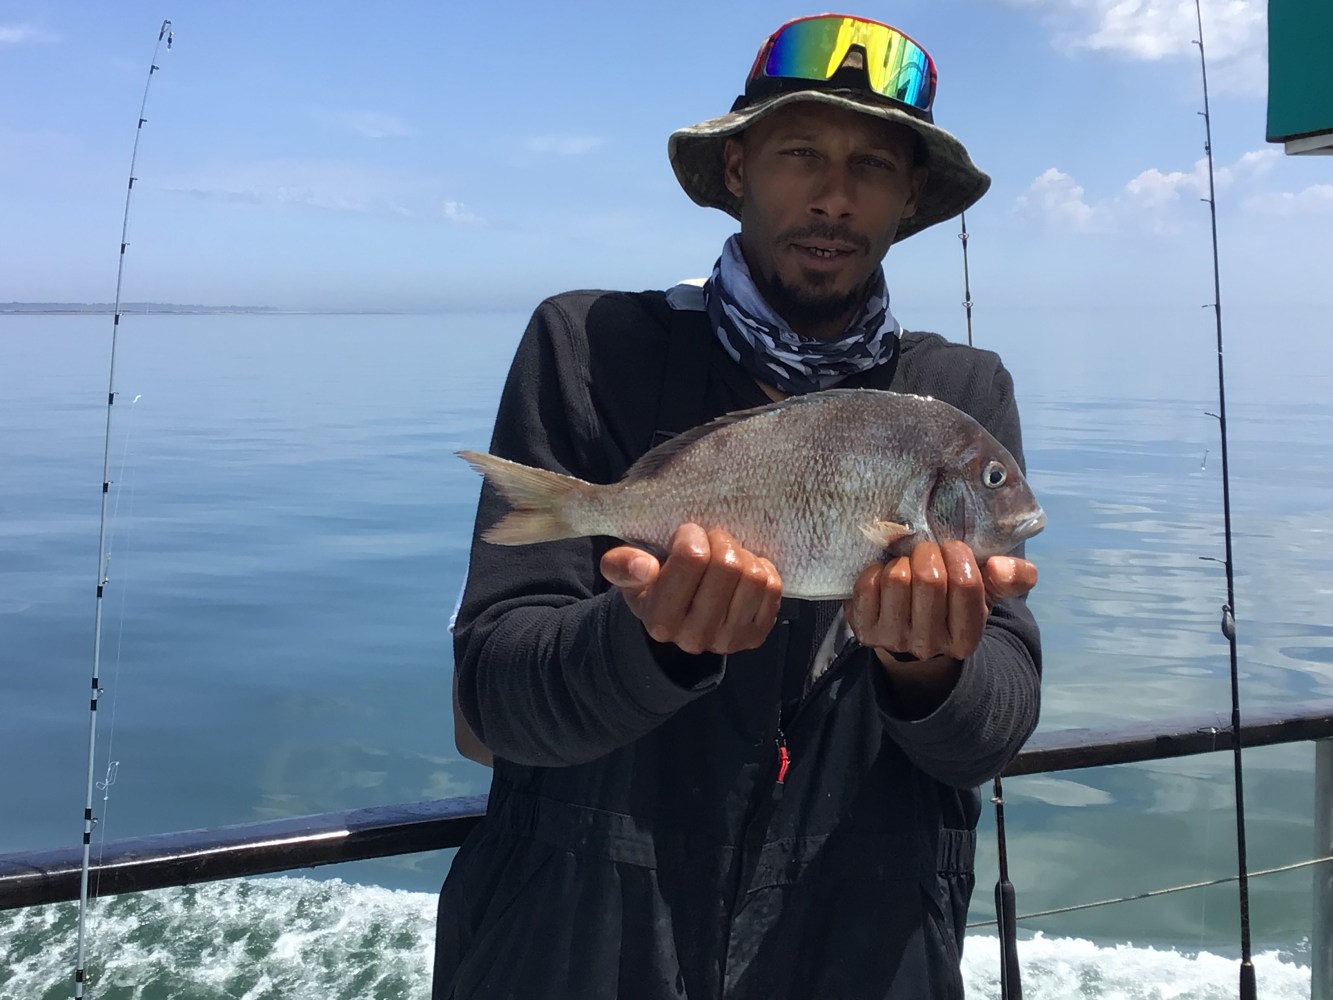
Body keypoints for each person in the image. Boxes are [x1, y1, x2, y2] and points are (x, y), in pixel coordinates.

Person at [436, 13, 1041, 1000]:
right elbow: (490, 702)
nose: (835, 197)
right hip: (574, 952)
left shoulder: (960, 398)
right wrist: (650, 646)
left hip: (858, 957)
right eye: (800, 154)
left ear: (908, 197)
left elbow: (995, 730)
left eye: (873, 166)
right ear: (736, 171)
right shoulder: (588, 348)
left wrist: (934, 671)